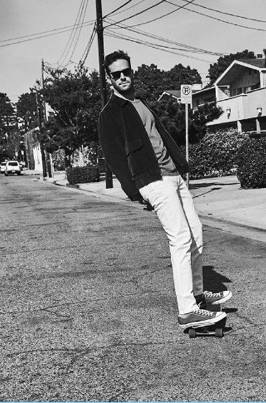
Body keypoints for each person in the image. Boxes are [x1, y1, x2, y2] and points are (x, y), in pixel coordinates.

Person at [98, 50, 231, 331]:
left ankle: (197, 295)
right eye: (116, 74)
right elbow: (114, 157)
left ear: (131, 72)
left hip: (173, 175)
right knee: (181, 238)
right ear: (109, 79)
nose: (123, 77)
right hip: (152, 180)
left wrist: (181, 168)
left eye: (126, 71)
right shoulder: (110, 114)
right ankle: (187, 310)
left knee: (195, 233)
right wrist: (135, 192)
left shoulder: (140, 103)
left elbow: (160, 136)